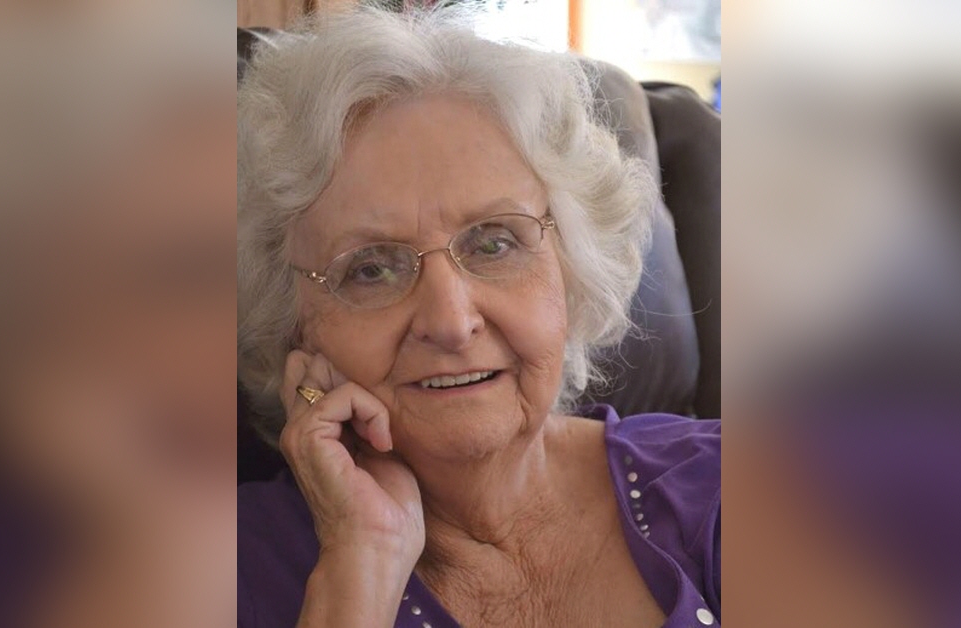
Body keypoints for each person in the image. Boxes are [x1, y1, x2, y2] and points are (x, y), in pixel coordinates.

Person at [236, 8, 720, 628]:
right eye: (371, 269)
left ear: (571, 268)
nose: (451, 321)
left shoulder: (727, 487)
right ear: (292, 323)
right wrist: (361, 566)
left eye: (494, 243)